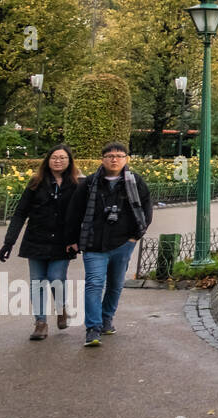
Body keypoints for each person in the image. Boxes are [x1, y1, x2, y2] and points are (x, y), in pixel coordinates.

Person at [65, 142, 153, 347]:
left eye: (119, 155)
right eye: (110, 155)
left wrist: (135, 237)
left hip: (123, 242)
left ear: (126, 159)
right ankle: (92, 328)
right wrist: (72, 239)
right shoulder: (88, 184)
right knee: (94, 284)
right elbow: (74, 213)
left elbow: (146, 209)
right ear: (102, 159)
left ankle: (106, 320)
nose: (115, 159)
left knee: (115, 284)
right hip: (94, 243)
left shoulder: (135, 182)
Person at [0, 144, 83, 340]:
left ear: (69, 161)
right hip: (36, 239)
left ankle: (61, 308)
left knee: (55, 277)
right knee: (37, 282)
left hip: (63, 241)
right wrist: (8, 242)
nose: (58, 161)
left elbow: (82, 214)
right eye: (54, 157)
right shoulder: (36, 182)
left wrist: (78, 240)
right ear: (47, 160)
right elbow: (20, 213)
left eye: (62, 158)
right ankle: (40, 323)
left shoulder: (77, 184)